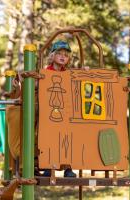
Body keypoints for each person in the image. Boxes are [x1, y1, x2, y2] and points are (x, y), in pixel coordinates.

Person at [41, 40, 76, 178]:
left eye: (66, 55)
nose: (63, 57)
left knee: (67, 136)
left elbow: (75, 81)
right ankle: (50, 167)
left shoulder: (68, 73)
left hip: (63, 110)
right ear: (53, 56)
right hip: (48, 110)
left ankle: (68, 168)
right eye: (59, 54)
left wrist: (85, 71)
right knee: (49, 136)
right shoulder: (46, 71)